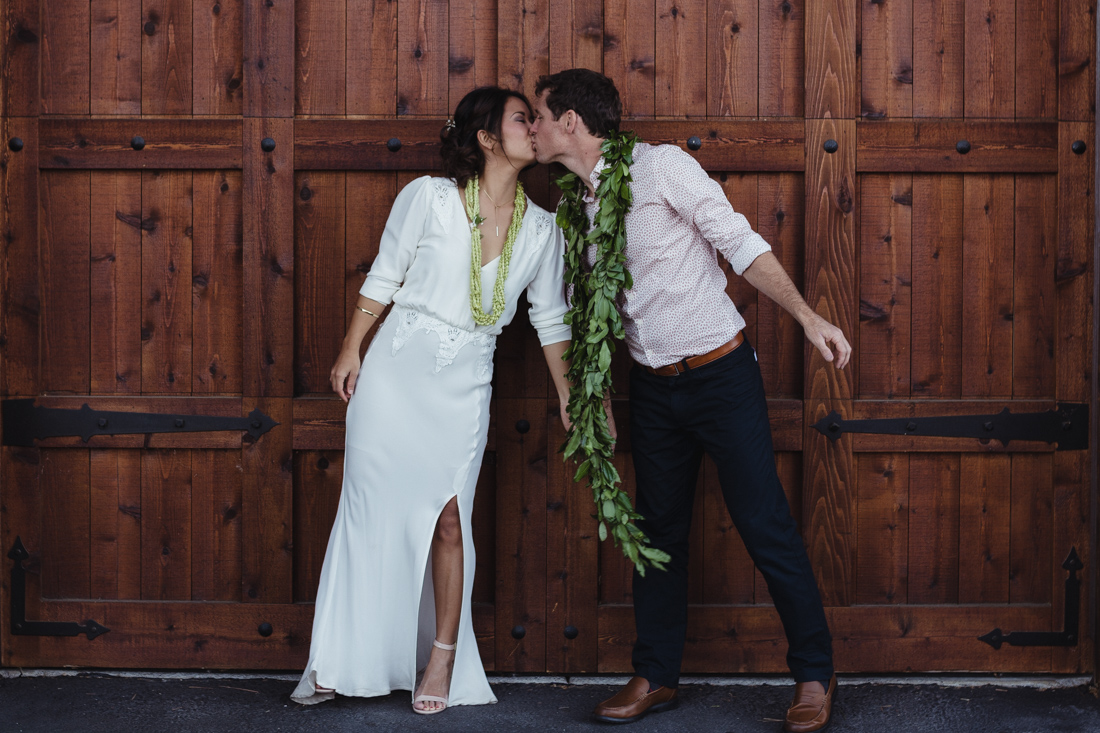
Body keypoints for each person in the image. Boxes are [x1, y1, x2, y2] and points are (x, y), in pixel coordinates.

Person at [529, 68, 850, 733]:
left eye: (538, 116)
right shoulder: (572, 201)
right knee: (657, 531)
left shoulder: (663, 168)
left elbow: (739, 243)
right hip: (650, 386)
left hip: (720, 376)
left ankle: (815, 673)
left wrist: (808, 317)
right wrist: (596, 392)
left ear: (570, 122)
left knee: (765, 524)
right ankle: (656, 674)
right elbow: (591, 306)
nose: (531, 127)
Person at [290, 86, 574, 715]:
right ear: (486, 137)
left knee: (450, 521)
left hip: (466, 382)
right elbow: (384, 275)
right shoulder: (429, 197)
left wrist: (568, 395)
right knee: (367, 514)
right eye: (522, 119)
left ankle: (441, 657)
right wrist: (349, 349)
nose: (536, 128)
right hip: (392, 373)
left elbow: (551, 320)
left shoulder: (545, 230)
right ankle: (340, 657)